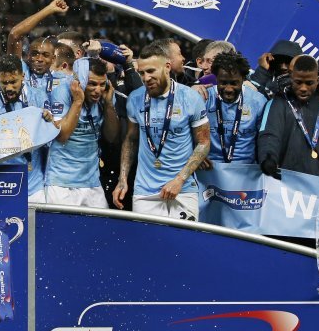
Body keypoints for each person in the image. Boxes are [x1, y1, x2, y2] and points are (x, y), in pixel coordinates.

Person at [115, 40, 210, 220]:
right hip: (145, 191)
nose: (146, 78)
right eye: (142, 73)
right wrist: (123, 178)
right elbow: (131, 139)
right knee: (147, 239)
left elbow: (204, 143)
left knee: (184, 238)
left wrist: (179, 180)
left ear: (167, 67)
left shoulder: (190, 97)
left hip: (183, 190)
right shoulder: (135, 99)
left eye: (151, 71)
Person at [0, 55, 55, 202]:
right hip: (1, 184)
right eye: (4, 82)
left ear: (23, 76)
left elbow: (51, 130)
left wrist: (48, 118)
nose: (9, 88)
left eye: (13, 82)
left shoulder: (38, 96)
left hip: (33, 185)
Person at [46, 58, 119, 208]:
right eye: (92, 84)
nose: (98, 90)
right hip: (61, 182)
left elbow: (112, 137)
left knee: (99, 224)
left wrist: (109, 105)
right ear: (79, 81)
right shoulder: (62, 92)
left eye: (102, 84)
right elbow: (62, 136)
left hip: (92, 181)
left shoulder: (105, 96)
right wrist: (78, 102)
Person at [257, 55, 319, 180]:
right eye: (298, 82)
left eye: (309, 83)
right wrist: (268, 158)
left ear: (317, 80)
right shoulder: (279, 102)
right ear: (291, 78)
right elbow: (270, 134)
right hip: (285, 181)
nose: (303, 88)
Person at [201, 52, 268, 165]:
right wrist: (195, 154)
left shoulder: (258, 101)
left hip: (246, 169)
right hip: (210, 169)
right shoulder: (204, 98)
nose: (228, 89)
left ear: (243, 79)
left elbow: (265, 139)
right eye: (223, 83)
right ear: (216, 78)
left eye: (234, 83)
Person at [7, 0, 68, 102]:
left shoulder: (62, 80)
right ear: (28, 55)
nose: (39, 59)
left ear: (53, 59)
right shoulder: (21, 70)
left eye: (45, 55)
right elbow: (14, 35)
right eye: (35, 54)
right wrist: (49, 9)